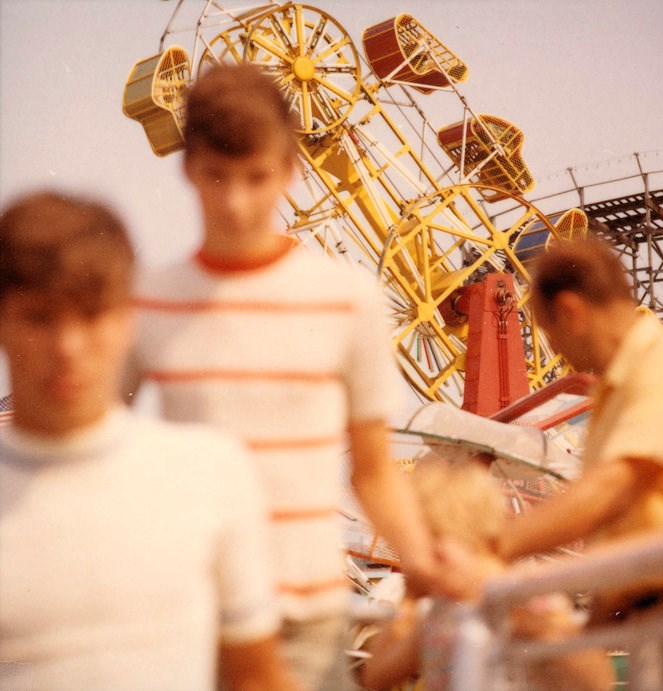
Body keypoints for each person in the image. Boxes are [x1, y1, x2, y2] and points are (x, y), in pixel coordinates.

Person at [125, 62, 439, 689]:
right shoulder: (148, 302)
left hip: (306, 613)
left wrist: (433, 566)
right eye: (217, 177)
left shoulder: (349, 300)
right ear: (188, 169)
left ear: (292, 171)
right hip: (189, 613)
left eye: (256, 177)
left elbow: (374, 471)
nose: (236, 202)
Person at [0, 191, 299, 691]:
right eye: (39, 318)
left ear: (129, 320)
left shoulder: (212, 475)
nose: (67, 348)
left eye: (91, 316)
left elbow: (257, 678)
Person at [497, 236, 663, 618]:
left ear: (571, 312)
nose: (555, 350)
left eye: (549, 332)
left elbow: (610, 490)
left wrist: (492, 548)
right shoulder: (616, 395)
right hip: (652, 610)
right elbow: (626, 521)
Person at [360, 457, 615, 691]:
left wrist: (538, 627)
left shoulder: (527, 600)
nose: (422, 566)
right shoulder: (441, 615)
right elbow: (378, 676)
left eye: (433, 554)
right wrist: (410, 597)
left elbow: (597, 682)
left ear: (471, 536)